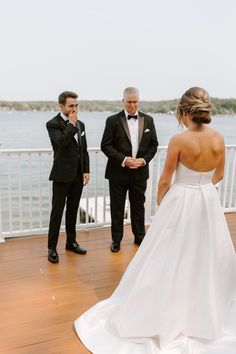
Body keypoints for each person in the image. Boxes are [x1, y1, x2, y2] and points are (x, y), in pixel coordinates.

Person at [74, 87, 236, 353]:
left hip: (182, 199)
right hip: (207, 201)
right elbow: (219, 175)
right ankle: (202, 311)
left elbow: (165, 178)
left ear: (184, 112)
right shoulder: (219, 139)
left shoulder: (179, 140)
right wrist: (203, 187)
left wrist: (164, 198)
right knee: (204, 254)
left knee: (168, 253)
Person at [101, 87, 158, 252]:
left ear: (139, 101)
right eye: (129, 102)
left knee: (138, 207)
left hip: (140, 173)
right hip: (118, 173)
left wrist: (143, 160)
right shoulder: (112, 121)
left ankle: (140, 237)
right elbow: (105, 145)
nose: (133, 105)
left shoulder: (149, 120)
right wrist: (124, 160)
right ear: (123, 101)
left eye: (135, 102)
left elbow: (153, 145)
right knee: (117, 208)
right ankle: (116, 240)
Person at [46, 91, 90, 263]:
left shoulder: (81, 124)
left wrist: (86, 170)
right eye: (71, 106)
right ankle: (52, 248)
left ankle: (71, 242)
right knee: (57, 212)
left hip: (78, 175)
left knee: (73, 210)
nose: (74, 109)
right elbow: (62, 143)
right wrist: (71, 125)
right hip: (61, 175)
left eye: (76, 105)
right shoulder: (53, 124)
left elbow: (83, 149)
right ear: (61, 106)